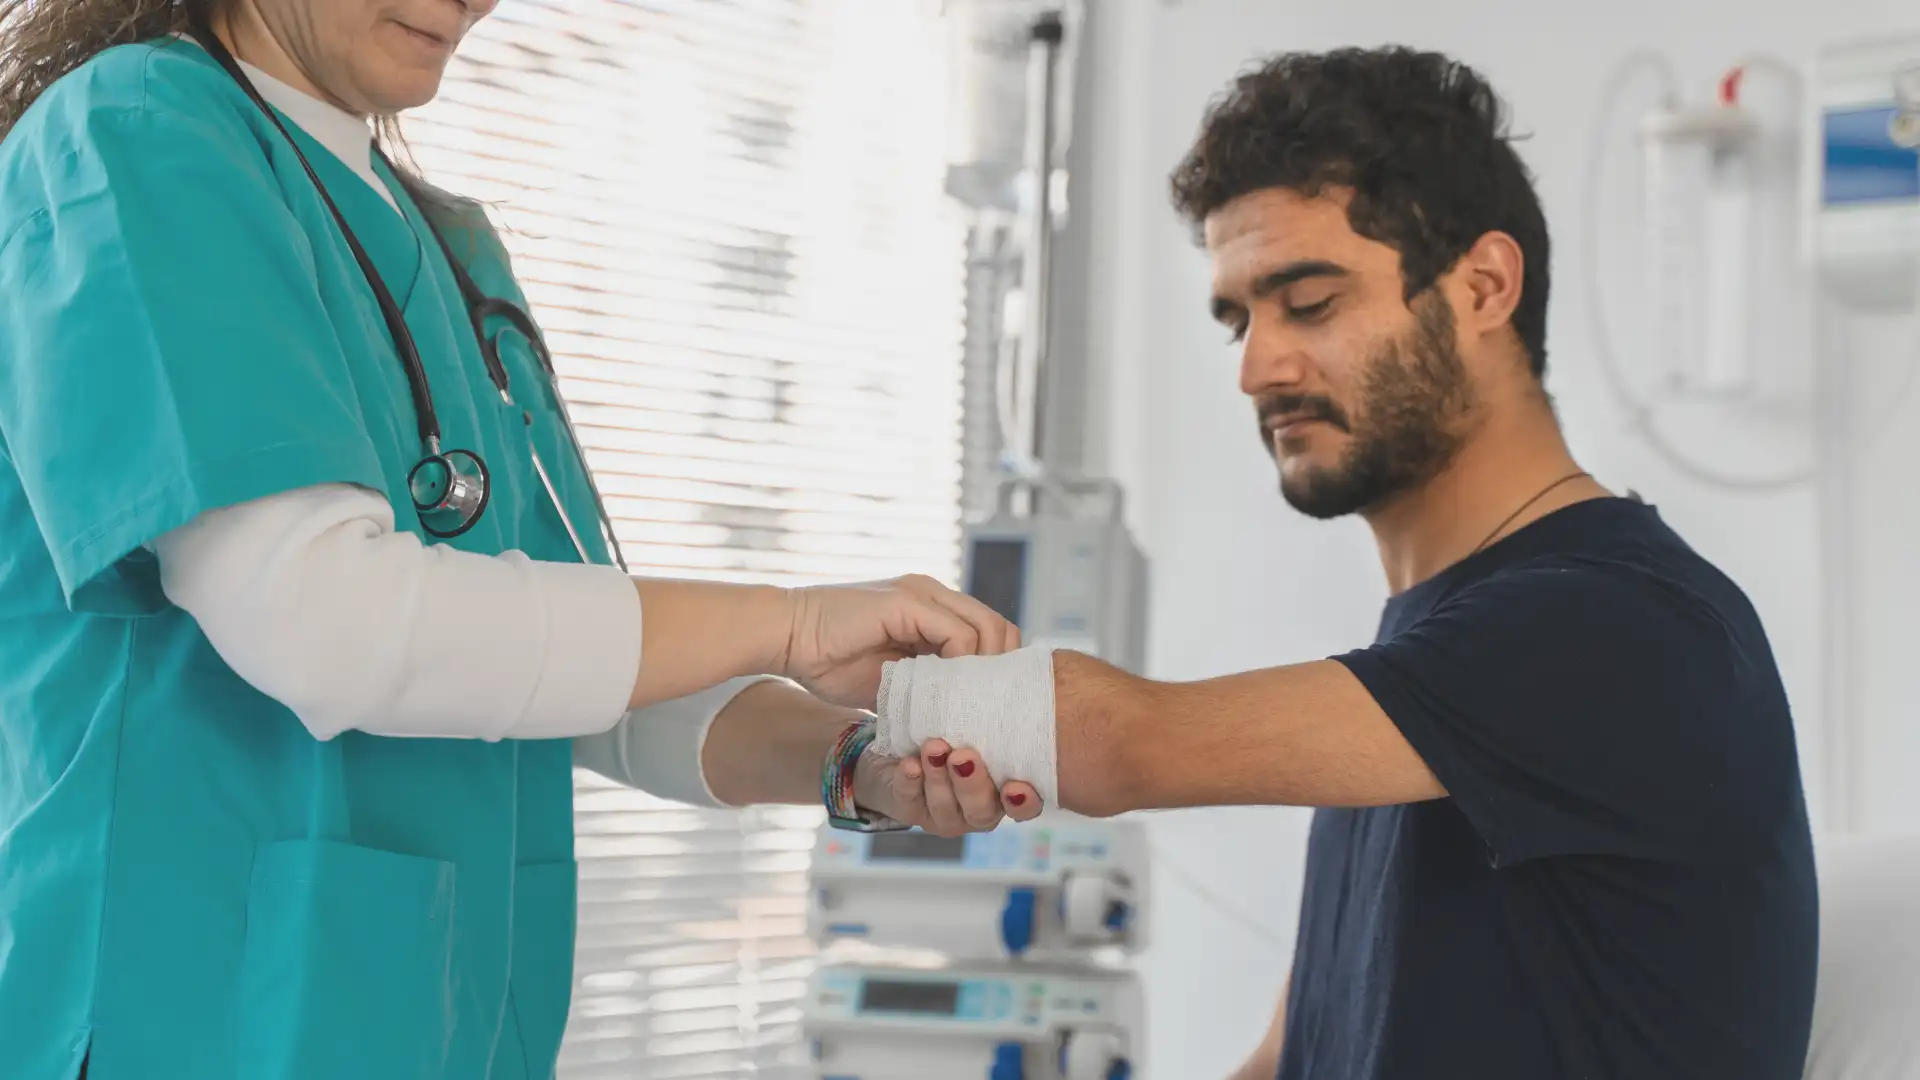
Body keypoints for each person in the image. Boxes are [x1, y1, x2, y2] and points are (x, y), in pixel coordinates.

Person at [0, 2, 1041, 1078]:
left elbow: (573, 667)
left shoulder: (444, 245)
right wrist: (791, 622)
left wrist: (853, 764)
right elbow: (332, 626)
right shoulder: (134, 137)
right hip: (181, 1018)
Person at [874, 46, 1819, 1080]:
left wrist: (809, 665)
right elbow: (1292, 1059)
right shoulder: (1423, 664)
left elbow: (1119, 744)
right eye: (1240, 316)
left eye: (1310, 302)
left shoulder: (1616, 627)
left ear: (1485, 286)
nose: (1255, 368)